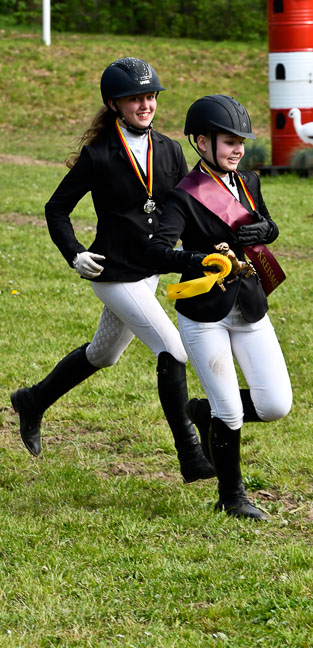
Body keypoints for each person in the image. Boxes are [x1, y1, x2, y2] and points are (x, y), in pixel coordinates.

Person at [11, 57, 214, 484]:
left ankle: (32, 401)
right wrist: (74, 253)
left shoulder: (171, 149)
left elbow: (189, 206)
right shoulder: (99, 155)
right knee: (173, 349)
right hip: (113, 272)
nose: (145, 105)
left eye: (150, 97)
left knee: (103, 355)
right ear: (114, 104)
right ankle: (191, 456)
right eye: (135, 99)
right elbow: (57, 208)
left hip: (152, 270)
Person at [146, 94, 293, 521]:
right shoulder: (182, 198)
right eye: (229, 141)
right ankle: (232, 497)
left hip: (249, 305)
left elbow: (267, 225)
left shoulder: (249, 181)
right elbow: (156, 253)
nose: (238, 149)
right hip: (204, 313)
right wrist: (198, 260)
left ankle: (202, 410)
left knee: (274, 405)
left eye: (241, 142)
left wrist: (266, 229)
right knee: (231, 409)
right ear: (201, 142)